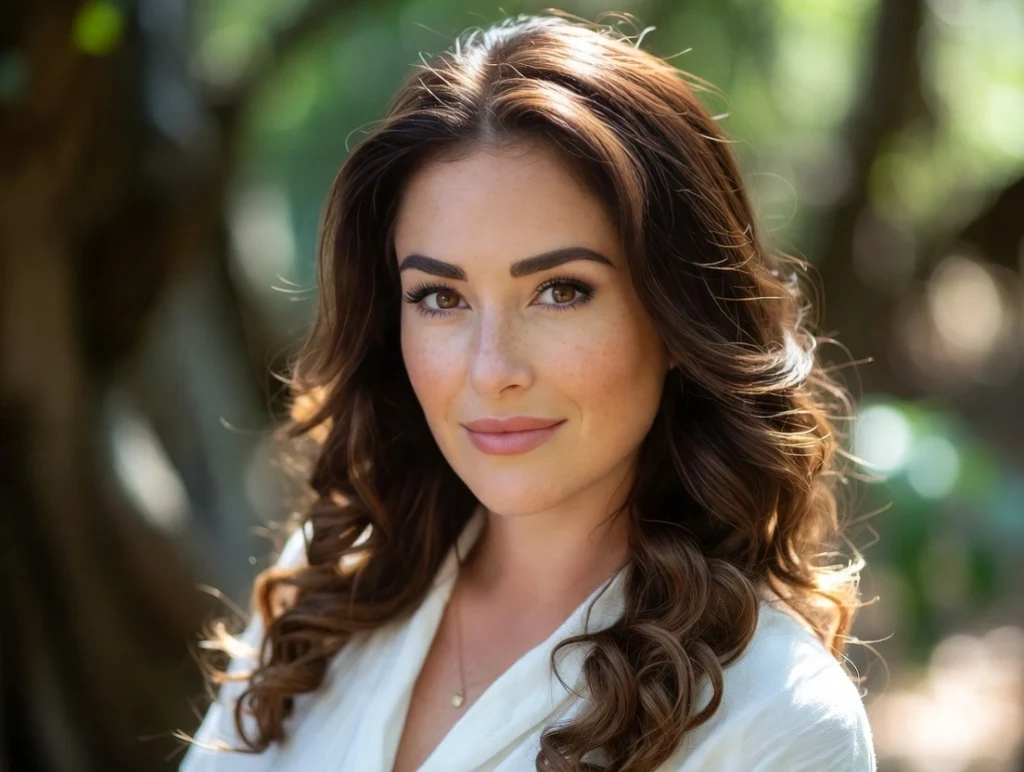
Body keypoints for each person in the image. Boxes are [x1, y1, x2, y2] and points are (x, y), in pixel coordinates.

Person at [178, 11, 877, 772]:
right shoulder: (329, 591)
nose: (491, 370)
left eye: (561, 291)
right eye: (441, 298)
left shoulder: (777, 720)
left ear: (679, 314)